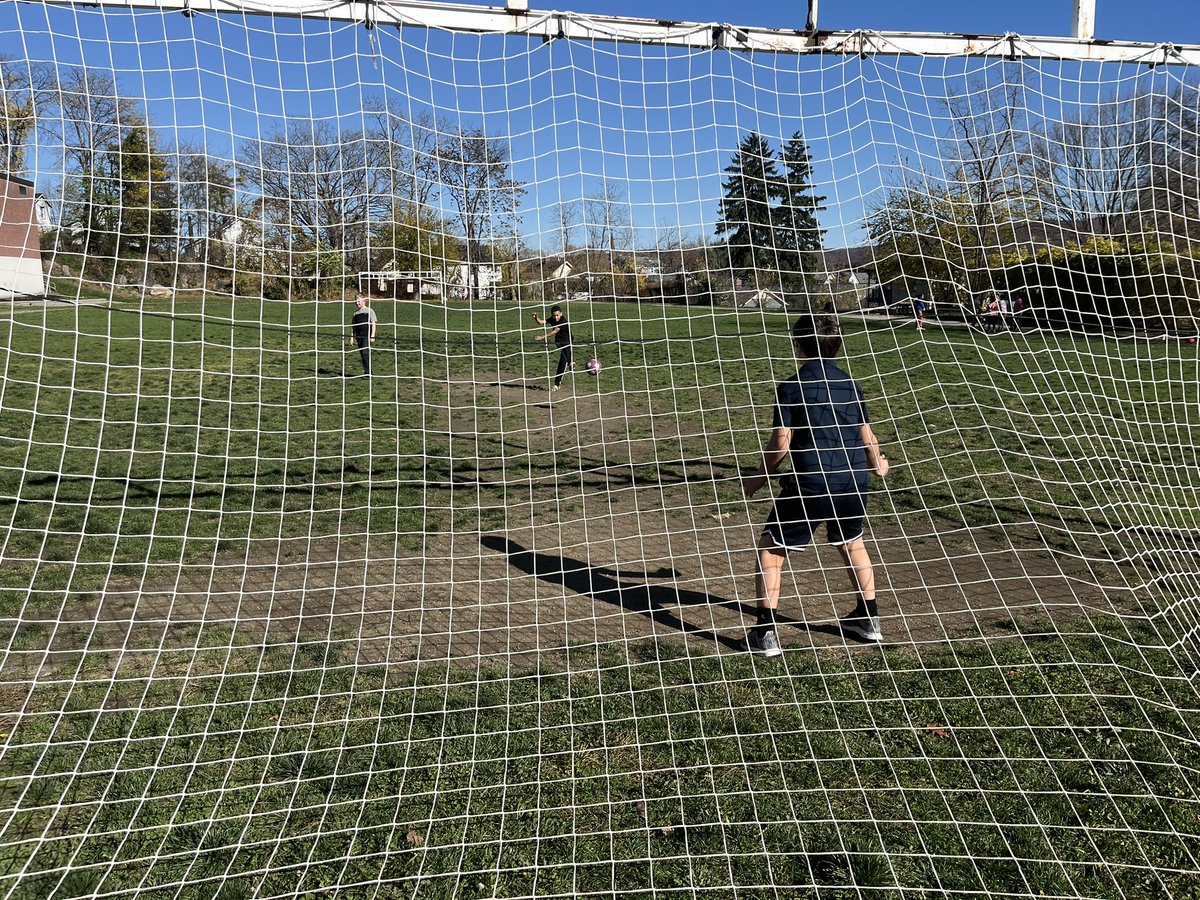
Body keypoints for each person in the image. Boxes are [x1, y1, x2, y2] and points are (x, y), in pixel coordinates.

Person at [740, 313, 891, 657]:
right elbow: (868, 436)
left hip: (811, 484)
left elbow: (781, 443)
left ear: (798, 345)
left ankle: (764, 633)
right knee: (853, 544)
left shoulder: (791, 387)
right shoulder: (852, 385)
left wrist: (757, 479)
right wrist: (878, 464)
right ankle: (869, 620)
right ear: (837, 344)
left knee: (770, 550)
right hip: (854, 483)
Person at [532, 305, 572, 391]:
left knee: (563, 361)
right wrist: (536, 317)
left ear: (561, 314)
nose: (556, 317)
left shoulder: (563, 320)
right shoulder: (552, 318)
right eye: (554, 315)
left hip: (567, 341)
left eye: (557, 315)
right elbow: (541, 322)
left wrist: (542, 337)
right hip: (559, 342)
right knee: (564, 360)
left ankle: (558, 383)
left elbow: (555, 331)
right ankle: (570, 363)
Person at [349, 294, 378, 376]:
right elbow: (353, 327)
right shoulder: (356, 314)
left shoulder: (370, 311)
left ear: (364, 301)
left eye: (359, 301)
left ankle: (369, 373)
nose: (357, 303)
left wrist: (372, 335)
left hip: (367, 335)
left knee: (365, 353)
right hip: (359, 336)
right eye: (356, 301)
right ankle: (366, 371)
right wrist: (352, 337)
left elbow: (373, 323)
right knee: (362, 353)